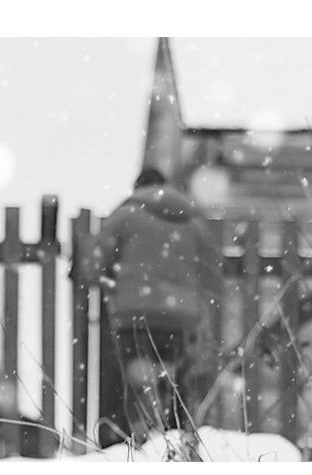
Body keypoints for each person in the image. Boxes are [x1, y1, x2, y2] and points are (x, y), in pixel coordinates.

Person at [78, 168, 223, 448]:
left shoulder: (125, 215)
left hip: (135, 316)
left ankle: (131, 447)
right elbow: (212, 272)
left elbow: (94, 268)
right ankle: (177, 447)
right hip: (180, 319)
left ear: (137, 187)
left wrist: (108, 278)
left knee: (133, 387)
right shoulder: (192, 221)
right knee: (177, 388)